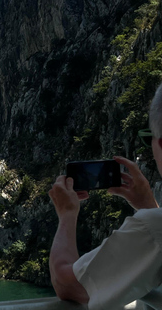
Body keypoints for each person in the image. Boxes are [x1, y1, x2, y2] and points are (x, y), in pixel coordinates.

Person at [49, 82, 162, 309]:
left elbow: (68, 285)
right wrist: (148, 206)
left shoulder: (155, 227)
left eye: (146, 137)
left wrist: (67, 215)